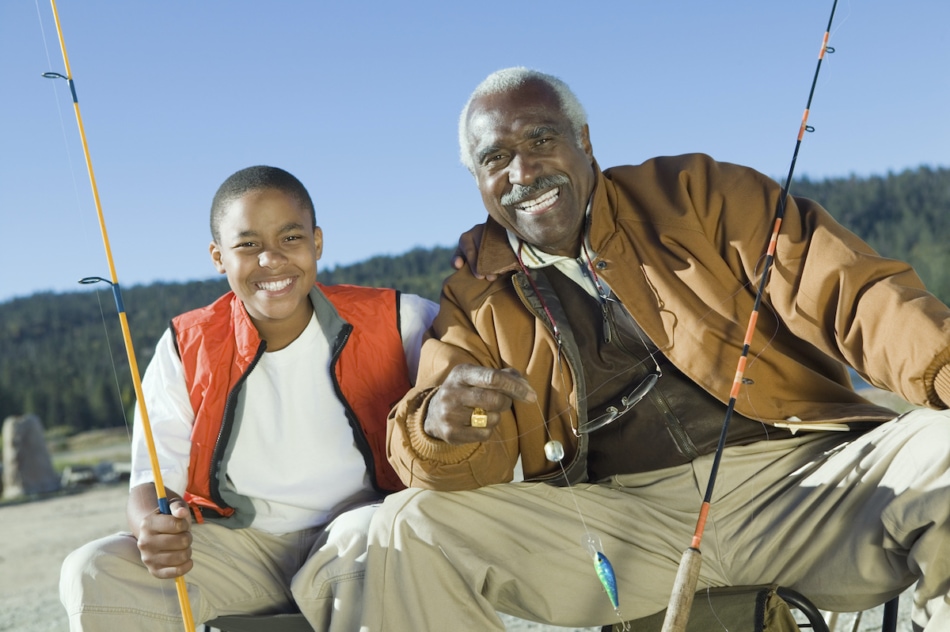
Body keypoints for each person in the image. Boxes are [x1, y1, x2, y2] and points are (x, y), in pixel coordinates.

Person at [362, 67, 950, 631]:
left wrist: (943, 365)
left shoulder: (697, 194)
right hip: (622, 532)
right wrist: (440, 432)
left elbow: (853, 294)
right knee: (400, 530)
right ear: (478, 181)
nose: (523, 170)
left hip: (804, 489)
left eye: (542, 138)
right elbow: (451, 442)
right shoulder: (472, 294)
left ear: (585, 140)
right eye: (495, 158)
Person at [59, 165, 438, 632]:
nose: (271, 260)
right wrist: (151, 528)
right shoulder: (185, 344)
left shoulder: (400, 318)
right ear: (219, 256)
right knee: (92, 568)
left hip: (360, 537)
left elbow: (459, 383)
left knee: (375, 535)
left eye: (291, 238)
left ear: (317, 243)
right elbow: (151, 481)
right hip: (237, 549)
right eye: (248, 245)